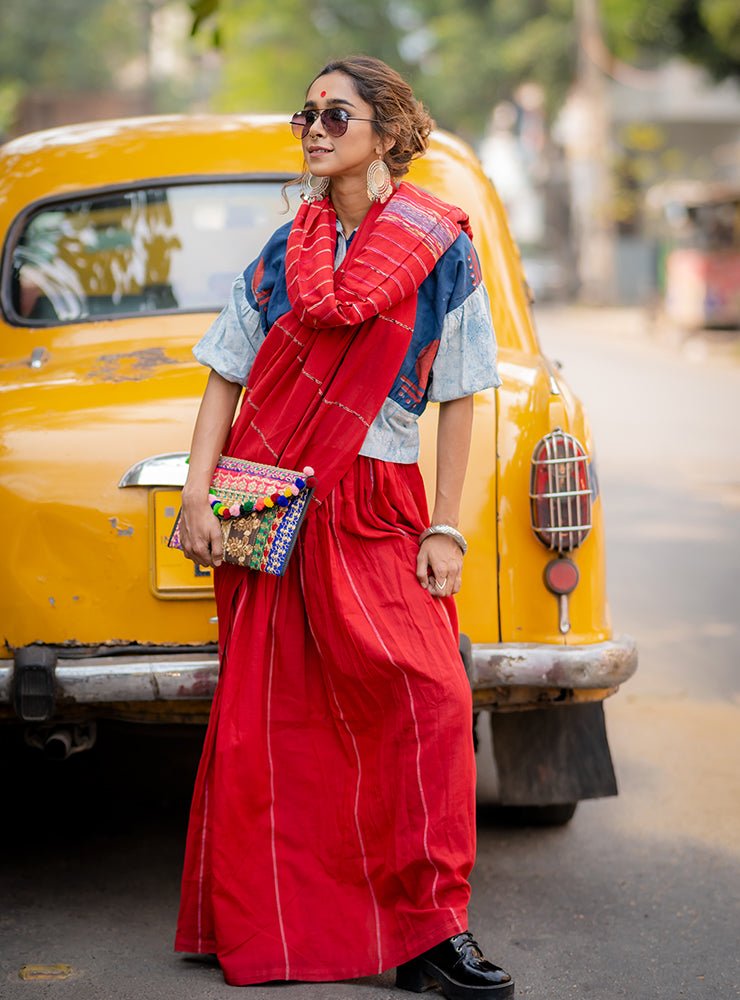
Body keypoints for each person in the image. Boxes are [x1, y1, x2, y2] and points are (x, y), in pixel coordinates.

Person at [174, 54, 514, 999]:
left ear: (388, 129)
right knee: (269, 724)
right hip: (272, 507)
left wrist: (445, 527)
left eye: (336, 112)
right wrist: (198, 498)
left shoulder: (441, 243)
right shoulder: (283, 251)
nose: (316, 128)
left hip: (378, 505)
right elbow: (223, 377)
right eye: (307, 114)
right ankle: (265, 915)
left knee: (430, 702)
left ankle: (435, 930)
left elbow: (460, 396)